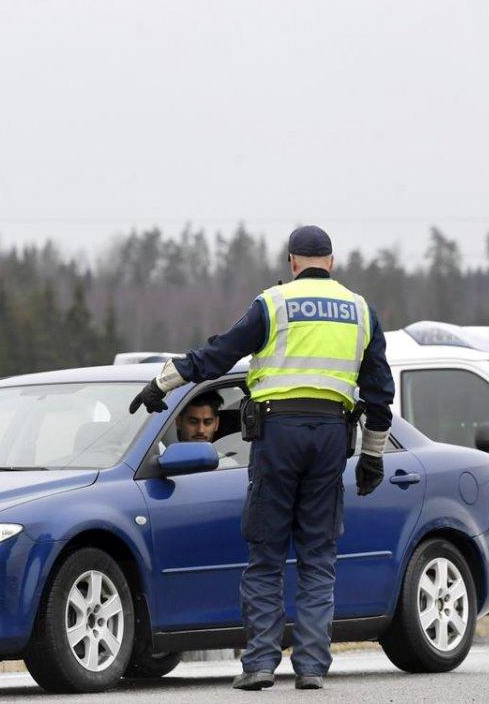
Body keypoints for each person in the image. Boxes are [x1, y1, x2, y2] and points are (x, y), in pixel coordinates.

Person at [129, 225, 394, 691]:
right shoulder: (361, 311)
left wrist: (162, 384)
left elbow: (217, 353)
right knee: (318, 556)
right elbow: (379, 394)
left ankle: (260, 665)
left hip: (278, 436)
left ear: (293, 261)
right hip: (332, 436)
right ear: (331, 261)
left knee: (267, 554)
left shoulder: (273, 303)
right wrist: (372, 457)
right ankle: (311, 668)